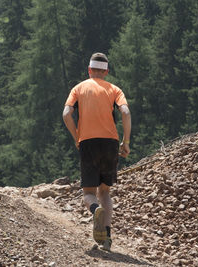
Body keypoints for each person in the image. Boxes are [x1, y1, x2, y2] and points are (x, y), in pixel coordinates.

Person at [62, 52, 131, 251]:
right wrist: (125, 141)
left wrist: (76, 137)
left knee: (89, 193)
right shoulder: (115, 89)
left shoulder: (78, 88)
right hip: (110, 143)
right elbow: (125, 112)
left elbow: (67, 114)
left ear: (89, 70)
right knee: (105, 191)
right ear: (106, 71)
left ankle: (95, 210)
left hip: (88, 143)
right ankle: (107, 238)